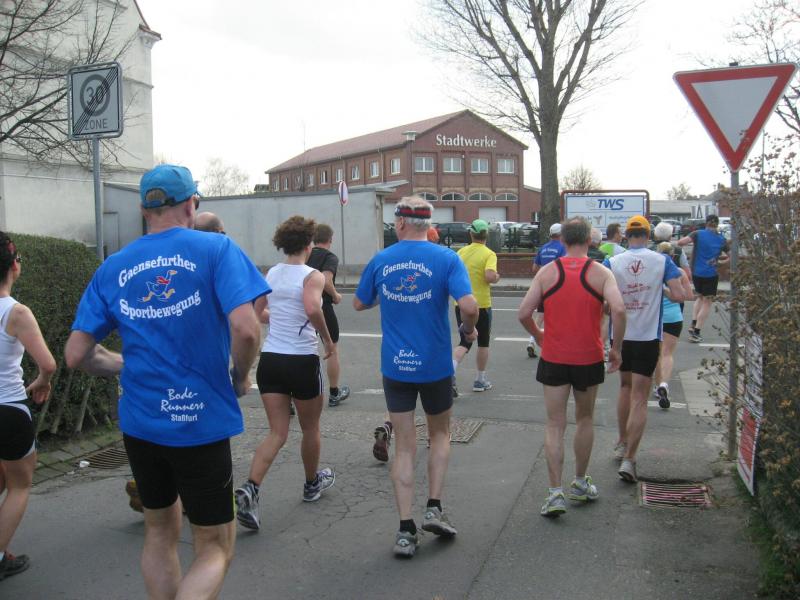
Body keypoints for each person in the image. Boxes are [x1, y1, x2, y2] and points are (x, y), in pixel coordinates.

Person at [65, 164, 268, 599]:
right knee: (215, 546)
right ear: (192, 204)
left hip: (141, 423)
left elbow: (76, 354)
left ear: (144, 210)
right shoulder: (216, 249)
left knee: (159, 532)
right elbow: (247, 329)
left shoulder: (114, 266)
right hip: (199, 421)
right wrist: (241, 375)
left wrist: (125, 366)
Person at [354, 196, 478, 558]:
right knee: (439, 435)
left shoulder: (382, 259)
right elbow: (469, 305)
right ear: (428, 224)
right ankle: (434, 507)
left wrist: (388, 294)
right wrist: (468, 329)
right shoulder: (446, 258)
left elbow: (359, 302)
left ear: (401, 223)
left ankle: (405, 531)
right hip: (435, 366)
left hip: (396, 366)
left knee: (405, 446)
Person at [518, 218, 626, 517]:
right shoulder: (601, 272)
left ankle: (555, 493)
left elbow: (524, 312)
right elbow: (618, 309)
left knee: (555, 423)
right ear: (589, 241)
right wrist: (616, 349)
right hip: (588, 357)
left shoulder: (548, 272)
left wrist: (539, 336)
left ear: (563, 241)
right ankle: (579, 482)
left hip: (554, 356)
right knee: (585, 418)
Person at [235, 216, 336, 531]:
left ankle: (251, 488)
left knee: (277, 432)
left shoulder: (272, 272)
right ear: (309, 245)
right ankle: (311, 483)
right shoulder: (312, 276)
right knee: (310, 428)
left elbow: (258, 312)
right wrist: (327, 340)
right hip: (301, 360)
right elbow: (312, 308)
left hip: (272, 360)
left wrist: (278, 315)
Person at [606, 215, 688, 483]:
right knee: (640, 397)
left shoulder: (613, 262)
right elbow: (680, 295)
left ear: (627, 236)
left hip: (621, 336)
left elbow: (603, 303)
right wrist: (661, 290)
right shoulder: (662, 261)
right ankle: (630, 459)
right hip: (648, 335)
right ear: (648, 235)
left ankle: (621, 441)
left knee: (624, 388)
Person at [0, 234, 56, 581]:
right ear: (14, 266)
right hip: (7, 408)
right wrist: (42, 381)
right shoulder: (16, 312)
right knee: (20, 484)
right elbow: (48, 363)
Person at [451, 219, 500, 395]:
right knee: (483, 342)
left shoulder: (461, 252)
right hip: (482, 305)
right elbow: (489, 276)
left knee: (465, 342)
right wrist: (496, 277)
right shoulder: (489, 254)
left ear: (471, 234)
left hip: (461, 303)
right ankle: (480, 380)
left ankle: (450, 372)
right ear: (486, 235)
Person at [306, 223, 350, 407]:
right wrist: (335, 295)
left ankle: (293, 396)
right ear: (330, 240)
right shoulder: (329, 257)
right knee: (331, 349)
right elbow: (325, 280)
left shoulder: (305, 254)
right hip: (323, 307)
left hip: (303, 306)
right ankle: (333, 393)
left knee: (303, 349)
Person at [652, 242, 693, 409]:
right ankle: (664, 383)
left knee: (657, 354)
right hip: (674, 317)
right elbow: (688, 296)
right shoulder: (680, 272)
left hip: (656, 316)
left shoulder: (653, 271)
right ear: (673, 256)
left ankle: (657, 386)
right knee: (667, 354)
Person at [677, 214, 729, 343]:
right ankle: (696, 332)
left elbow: (681, 242)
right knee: (707, 302)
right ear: (717, 224)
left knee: (699, 297)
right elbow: (731, 256)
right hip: (711, 274)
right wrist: (720, 263)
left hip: (697, 272)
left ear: (706, 223)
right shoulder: (721, 239)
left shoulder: (697, 234)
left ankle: (693, 323)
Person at [526, 223, 565, 358]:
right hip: (557, 287)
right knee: (556, 318)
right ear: (561, 234)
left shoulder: (543, 248)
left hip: (543, 287)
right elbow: (564, 266)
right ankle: (552, 346)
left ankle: (531, 341)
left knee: (541, 315)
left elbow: (534, 268)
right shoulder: (563, 248)